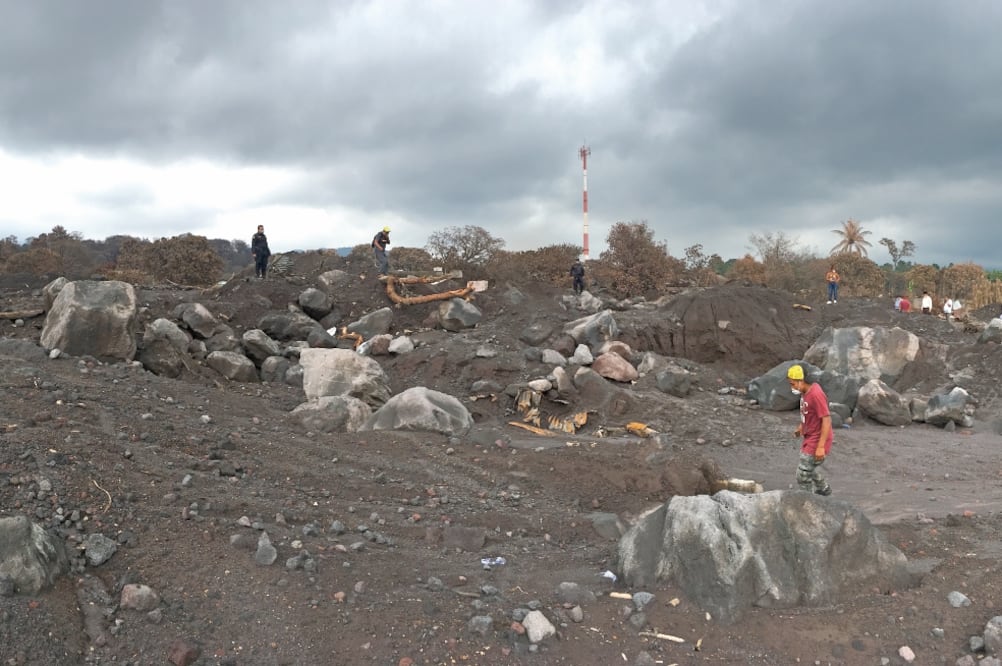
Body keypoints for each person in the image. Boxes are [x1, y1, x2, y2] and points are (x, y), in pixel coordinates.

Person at [787, 364, 833, 496]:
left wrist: (820, 447)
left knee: (803, 474)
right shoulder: (805, 392)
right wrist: (801, 427)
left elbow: (826, 419)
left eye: (793, 384)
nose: (792, 387)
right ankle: (823, 489)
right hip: (810, 436)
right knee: (810, 468)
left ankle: (808, 500)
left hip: (818, 439)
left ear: (801, 381)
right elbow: (808, 413)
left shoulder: (816, 394)